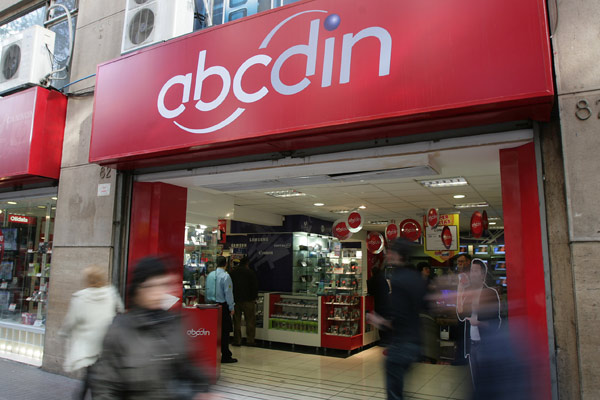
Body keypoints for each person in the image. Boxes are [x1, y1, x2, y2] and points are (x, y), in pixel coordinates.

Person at [89, 256, 210, 399]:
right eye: (150, 286)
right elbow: (105, 387)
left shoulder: (176, 324)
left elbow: (190, 368)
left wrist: (202, 390)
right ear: (137, 290)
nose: (158, 292)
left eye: (162, 284)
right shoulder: (120, 330)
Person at [367, 239, 426, 400]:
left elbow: (399, 318)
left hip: (401, 344)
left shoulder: (398, 280)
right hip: (416, 342)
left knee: (394, 392)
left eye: (391, 252)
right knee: (400, 387)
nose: (388, 255)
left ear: (398, 255)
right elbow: (425, 305)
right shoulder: (416, 277)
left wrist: (379, 322)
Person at [60, 265, 124, 400]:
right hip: (106, 340)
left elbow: (71, 320)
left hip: (89, 344)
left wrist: (64, 332)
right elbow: (121, 309)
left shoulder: (80, 297)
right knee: (96, 375)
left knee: (91, 375)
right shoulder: (111, 292)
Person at [457, 258, 502, 391]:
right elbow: (461, 315)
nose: (472, 274)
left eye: (476, 271)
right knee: (476, 380)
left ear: (483, 274)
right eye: (471, 271)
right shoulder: (468, 293)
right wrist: (460, 291)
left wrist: (480, 323)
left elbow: (496, 323)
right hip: (472, 344)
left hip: (485, 343)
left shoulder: (490, 293)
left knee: (487, 380)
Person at [206, 255, 237, 363]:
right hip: (222, 306)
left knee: (212, 330)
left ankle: (210, 353)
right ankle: (225, 355)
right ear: (226, 264)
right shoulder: (225, 276)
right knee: (224, 331)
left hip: (210, 305)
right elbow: (228, 293)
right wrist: (231, 307)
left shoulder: (210, 275)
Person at [230, 256, 258, 347]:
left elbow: (230, 286)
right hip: (248, 300)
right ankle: (250, 340)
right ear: (247, 263)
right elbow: (254, 286)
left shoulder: (233, 273)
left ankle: (237, 340)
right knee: (250, 320)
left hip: (236, 300)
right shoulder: (250, 273)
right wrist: (254, 297)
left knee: (236, 321)